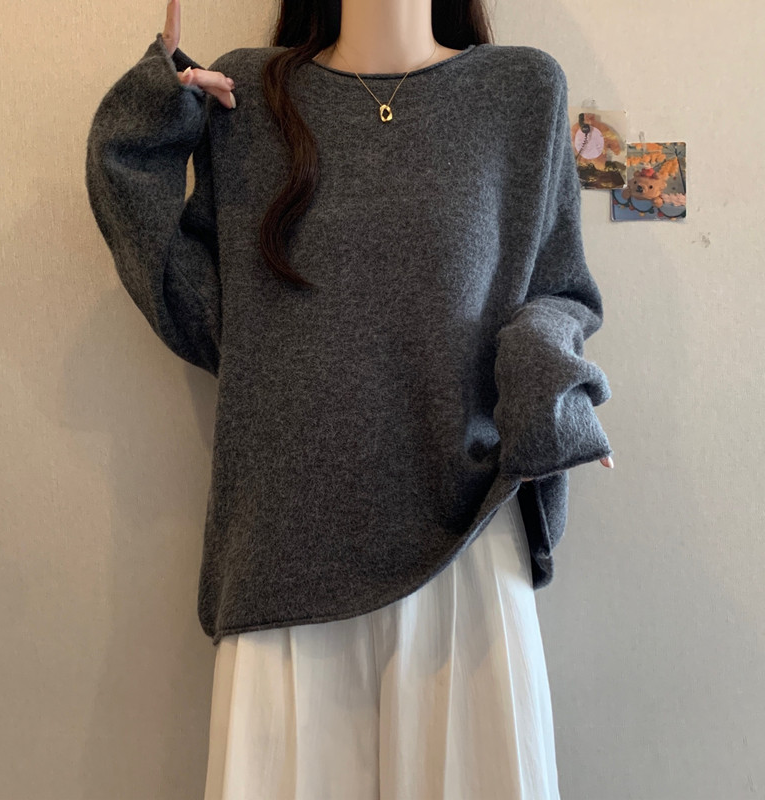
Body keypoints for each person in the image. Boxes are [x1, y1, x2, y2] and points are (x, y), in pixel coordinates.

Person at [85, 0, 615, 797]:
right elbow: (203, 312)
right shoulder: (252, 96)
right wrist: (149, 125)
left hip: (463, 542)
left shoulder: (521, 89)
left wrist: (548, 389)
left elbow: (556, 290)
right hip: (284, 554)